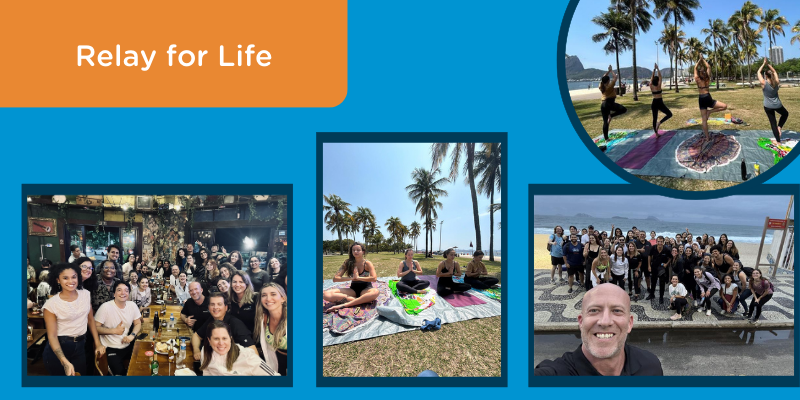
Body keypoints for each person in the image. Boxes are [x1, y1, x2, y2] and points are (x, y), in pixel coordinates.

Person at [533, 284, 663, 376]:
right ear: (581, 322)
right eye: (594, 310)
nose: (605, 322)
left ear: (630, 323)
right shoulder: (555, 373)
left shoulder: (651, 367)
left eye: (617, 311)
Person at [42, 263, 105, 376]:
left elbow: (90, 320)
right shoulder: (51, 304)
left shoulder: (85, 294)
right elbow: (52, 336)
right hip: (59, 348)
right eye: (65, 278)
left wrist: (97, 343)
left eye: (74, 277)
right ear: (58, 280)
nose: (71, 281)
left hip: (80, 345)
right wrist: (64, 361)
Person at [94, 281, 142, 375]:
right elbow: (95, 328)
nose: (123, 293)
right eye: (119, 290)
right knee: (119, 373)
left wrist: (132, 335)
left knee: (143, 364)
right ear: (114, 294)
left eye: (126, 290)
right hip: (111, 348)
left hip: (128, 345)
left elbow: (138, 323)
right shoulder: (105, 307)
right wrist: (114, 331)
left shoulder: (132, 305)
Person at [192, 292, 256, 361]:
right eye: (212, 304)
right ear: (209, 307)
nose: (215, 307)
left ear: (226, 307)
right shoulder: (212, 320)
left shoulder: (236, 324)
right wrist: (196, 350)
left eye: (219, 304)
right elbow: (196, 336)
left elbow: (254, 354)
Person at [199, 320, 276, 376]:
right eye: (216, 339)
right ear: (209, 340)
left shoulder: (248, 356)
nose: (221, 343)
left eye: (224, 338)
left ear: (230, 339)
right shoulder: (205, 351)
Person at [323, 242, 380, 311]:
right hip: (353, 290)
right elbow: (335, 278)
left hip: (366, 289)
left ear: (363, 252)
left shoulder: (367, 263)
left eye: (358, 250)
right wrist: (352, 278)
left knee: (375, 292)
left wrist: (358, 278)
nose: (355, 252)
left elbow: (374, 278)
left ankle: (345, 305)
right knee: (325, 294)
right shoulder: (348, 263)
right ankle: (359, 301)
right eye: (353, 250)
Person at [254, 282, 287, 376]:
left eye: (273, 294)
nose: (268, 299)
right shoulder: (264, 318)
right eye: (264, 295)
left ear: (283, 298)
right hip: (277, 360)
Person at [694, 54, 729, 141]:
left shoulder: (697, 79)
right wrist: (703, 59)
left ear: (699, 73)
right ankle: (710, 111)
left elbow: (695, 67)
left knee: (704, 120)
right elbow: (708, 67)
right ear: (705, 73)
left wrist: (699, 60)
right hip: (707, 97)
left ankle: (707, 137)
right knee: (724, 106)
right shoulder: (707, 78)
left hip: (701, 98)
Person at [758, 57, 789, 143]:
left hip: (767, 106)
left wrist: (764, 63)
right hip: (777, 105)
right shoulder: (776, 82)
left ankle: (778, 141)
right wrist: (768, 64)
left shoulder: (763, 83)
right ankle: (779, 127)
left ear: (766, 76)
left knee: (773, 123)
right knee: (785, 114)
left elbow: (758, 72)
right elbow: (774, 72)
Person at [599, 66, 627, 141]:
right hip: (609, 103)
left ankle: (606, 138)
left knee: (605, 122)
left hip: (603, 104)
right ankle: (611, 115)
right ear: (608, 81)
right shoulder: (610, 86)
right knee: (624, 109)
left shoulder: (601, 85)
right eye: (609, 80)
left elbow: (603, 77)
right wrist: (611, 71)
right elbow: (615, 77)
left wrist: (608, 71)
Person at [647, 236, 671, 303]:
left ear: (663, 242)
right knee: (653, 282)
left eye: (661, 241)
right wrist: (649, 266)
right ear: (656, 241)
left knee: (662, 283)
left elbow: (670, 258)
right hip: (654, 267)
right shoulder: (653, 247)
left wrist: (666, 264)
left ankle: (661, 297)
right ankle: (652, 294)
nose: (660, 243)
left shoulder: (666, 249)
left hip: (662, 268)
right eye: (658, 241)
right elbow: (649, 256)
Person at [650, 63, 673, 135]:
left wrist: (654, 70)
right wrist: (657, 68)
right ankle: (659, 123)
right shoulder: (659, 86)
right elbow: (660, 76)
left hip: (654, 102)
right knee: (669, 114)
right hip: (659, 102)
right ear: (657, 81)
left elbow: (652, 78)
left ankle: (656, 133)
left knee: (655, 118)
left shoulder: (651, 85)